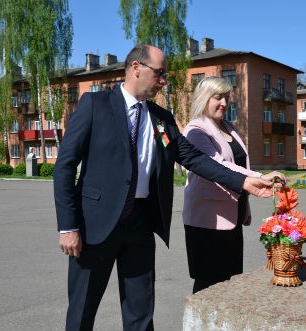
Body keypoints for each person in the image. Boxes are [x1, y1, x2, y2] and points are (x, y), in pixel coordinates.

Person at [53, 45, 275, 331]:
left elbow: (195, 159)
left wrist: (244, 181)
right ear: (136, 68)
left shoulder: (162, 119)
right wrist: (68, 226)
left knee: (141, 312)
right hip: (95, 227)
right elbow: (65, 166)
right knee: (82, 311)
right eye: (159, 73)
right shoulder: (95, 105)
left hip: (141, 226)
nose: (164, 81)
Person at [182, 76, 285, 294]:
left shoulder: (228, 127)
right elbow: (217, 165)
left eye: (226, 98)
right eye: (217, 97)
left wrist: (246, 204)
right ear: (203, 98)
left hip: (232, 214)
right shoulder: (196, 130)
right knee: (208, 284)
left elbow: (239, 162)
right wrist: (260, 177)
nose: (224, 103)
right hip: (206, 219)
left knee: (229, 280)